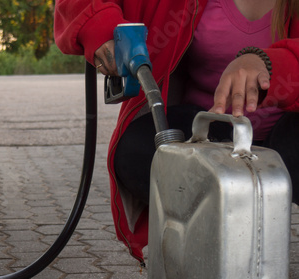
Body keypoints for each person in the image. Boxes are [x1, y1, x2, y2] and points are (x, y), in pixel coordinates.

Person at [54, 0, 299, 265]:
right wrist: (101, 27)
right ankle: (205, 265)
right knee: (143, 152)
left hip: (288, 134)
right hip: (206, 134)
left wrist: (272, 63)